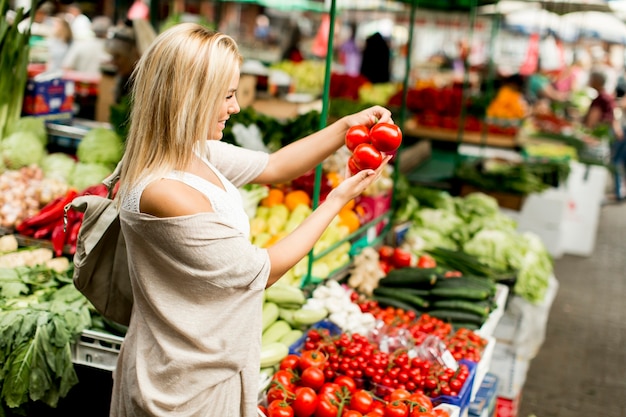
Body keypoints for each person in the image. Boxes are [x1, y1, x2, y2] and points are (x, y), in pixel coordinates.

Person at [111, 23, 393, 416]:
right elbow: (265, 269)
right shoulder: (164, 191)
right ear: (189, 99)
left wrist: (346, 126)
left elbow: (275, 166)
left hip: (205, 363)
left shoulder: (194, 153)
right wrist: (338, 197)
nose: (236, 106)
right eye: (226, 95)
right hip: (183, 389)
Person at [584, 68, 625, 201]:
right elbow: (613, 117)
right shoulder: (606, 96)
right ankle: (619, 191)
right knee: (616, 162)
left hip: (608, 134)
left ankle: (618, 192)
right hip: (614, 133)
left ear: (596, 81)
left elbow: (592, 120)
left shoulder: (601, 98)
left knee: (613, 162)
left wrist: (587, 132)